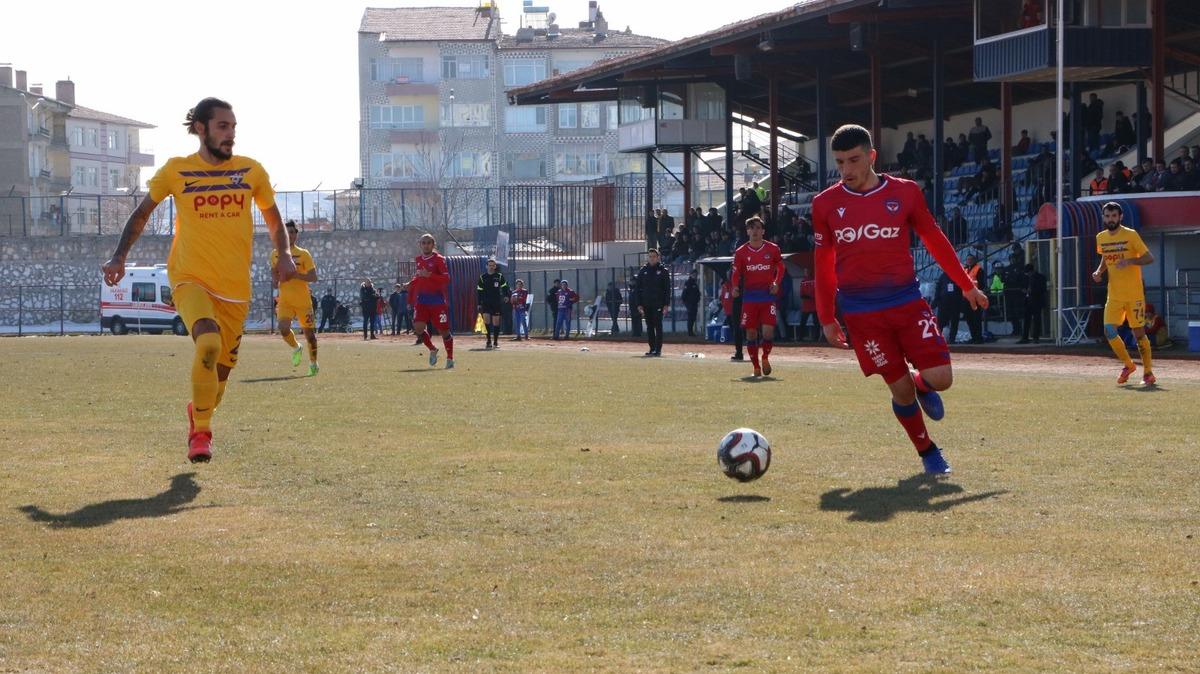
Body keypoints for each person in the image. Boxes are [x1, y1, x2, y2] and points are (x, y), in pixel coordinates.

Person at [101, 97, 296, 463]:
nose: (231, 134)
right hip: (189, 278)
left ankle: (199, 411)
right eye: (223, 127)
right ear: (201, 129)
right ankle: (201, 434)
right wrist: (120, 255)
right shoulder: (177, 170)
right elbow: (143, 214)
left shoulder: (251, 171)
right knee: (207, 343)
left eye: (234, 127)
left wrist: (284, 253)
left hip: (235, 290)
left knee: (217, 384)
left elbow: (273, 219)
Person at [811, 124, 988, 475]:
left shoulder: (905, 193)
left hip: (906, 301)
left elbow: (933, 238)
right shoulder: (824, 204)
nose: (846, 170)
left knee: (941, 378)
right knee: (900, 391)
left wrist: (965, 283)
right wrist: (827, 317)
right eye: (840, 162)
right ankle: (928, 453)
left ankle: (923, 385)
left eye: (854, 160)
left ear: (872, 157)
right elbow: (823, 264)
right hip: (862, 314)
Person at [1092, 202, 1156, 385]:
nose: (1110, 219)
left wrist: (1129, 261)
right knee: (1108, 330)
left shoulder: (1131, 235)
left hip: (1134, 294)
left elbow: (1149, 257)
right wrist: (1099, 271)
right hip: (1114, 294)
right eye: (1107, 216)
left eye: (1114, 216)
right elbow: (1105, 256)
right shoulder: (1101, 237)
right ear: (1103, 218)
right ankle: (1128, 365)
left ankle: (1148, 373)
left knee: (1139, 334)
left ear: (1120, 217)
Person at [731, 216, 784, 376]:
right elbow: (736, 272)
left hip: (767, 297)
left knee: (768, 333)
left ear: (763, 231)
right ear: (747, 231)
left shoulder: (773, 249)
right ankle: (755, 367)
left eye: (758, 228)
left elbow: (781, 267)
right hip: (750, 298)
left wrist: (776, 283)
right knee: (751, 333)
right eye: (751, 228)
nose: (755, 231)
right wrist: (734, 287)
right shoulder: (741, 252)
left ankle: (765, 357)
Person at [270, 220, 319, 376]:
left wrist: (295, 274)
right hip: (285, 301)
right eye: (287, 232)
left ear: (296, 235)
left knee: (310, 336)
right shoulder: (275, 253)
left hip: (303, 302)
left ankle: (313, 363)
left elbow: (313, 277)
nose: (290, 235)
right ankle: (296, 347)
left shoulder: (304, 254)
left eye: (292, 232)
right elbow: (274, 272)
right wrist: (275, 280)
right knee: (283, 329)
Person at [409, 233, 455, 369]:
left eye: (429, 242)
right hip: (422, 299)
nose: (426, 245)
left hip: (437, 300)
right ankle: (432, 349)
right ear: (420, 245)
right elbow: (419, 276)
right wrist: (410, 283)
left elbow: (446, 279)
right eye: (423, 243)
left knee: (444, 331)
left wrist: (430, 275)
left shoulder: (439, 259)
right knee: (418, 328)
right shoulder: (418, 260)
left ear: (433, 244)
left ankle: (450, 358)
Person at [636, 249, 671, 356]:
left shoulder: (663, 271)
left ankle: (658, 349)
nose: (652, 258)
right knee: (649, 326)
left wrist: (666, 304)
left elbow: (667, 289)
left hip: (658, 303)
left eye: (654, 256)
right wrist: (639, 304)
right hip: (646, 303)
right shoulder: (643, 271)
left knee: (658, 326)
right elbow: (638, 289)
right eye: (650, 256)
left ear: (658, 257)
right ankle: (652, 348)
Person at [476, 257, 509, 349]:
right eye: (489, 265)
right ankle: (488, 341)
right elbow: (479, 291)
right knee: (486, 321)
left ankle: (495, 341)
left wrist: (506, 295)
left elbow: (504, 286)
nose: (491, 267)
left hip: (496, 302)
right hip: (486, 302)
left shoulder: (499, 276)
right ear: (486, 266)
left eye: (492, 265)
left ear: (495, 267)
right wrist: (479, 303)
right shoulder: (482, 277)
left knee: (496, 322)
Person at [1019, 263, 1046, 343]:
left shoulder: (1040, 277)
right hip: (1027, 301)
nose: (1028, 274)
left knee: (1037, 320)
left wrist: (1032, 291)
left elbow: (1042, 289)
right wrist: (1024, 290)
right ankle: (1025, 337)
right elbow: (1022, 286)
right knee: (1026, 319)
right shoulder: (1026, 277)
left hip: (1036, 300)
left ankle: (1035, 337)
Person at [796, 266, 818, 341]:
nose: (806, 273)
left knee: (816, 322)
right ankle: (801, 337)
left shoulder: (814, 280)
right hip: (806, 305)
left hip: (814, 305)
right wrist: (806, 296)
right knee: (803, 322)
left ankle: (816, 337)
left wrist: (809, 296)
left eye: (807, 271)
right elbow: (801, 293)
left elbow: (816, 292)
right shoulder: (803, 281)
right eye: (805, 271)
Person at [681, 269, 701, 337]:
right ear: (691, 275)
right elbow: (684, 294)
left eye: (696, 274)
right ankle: (690, 332)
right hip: (690, 303)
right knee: (690, 318)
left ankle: (691, 332)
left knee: (693, 318)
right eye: (694, 274)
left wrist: (697, 299)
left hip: (694, 303)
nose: (695, 276)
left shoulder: (695, 283)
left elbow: (697, 293)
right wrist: (687, 304)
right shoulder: (688, 282)